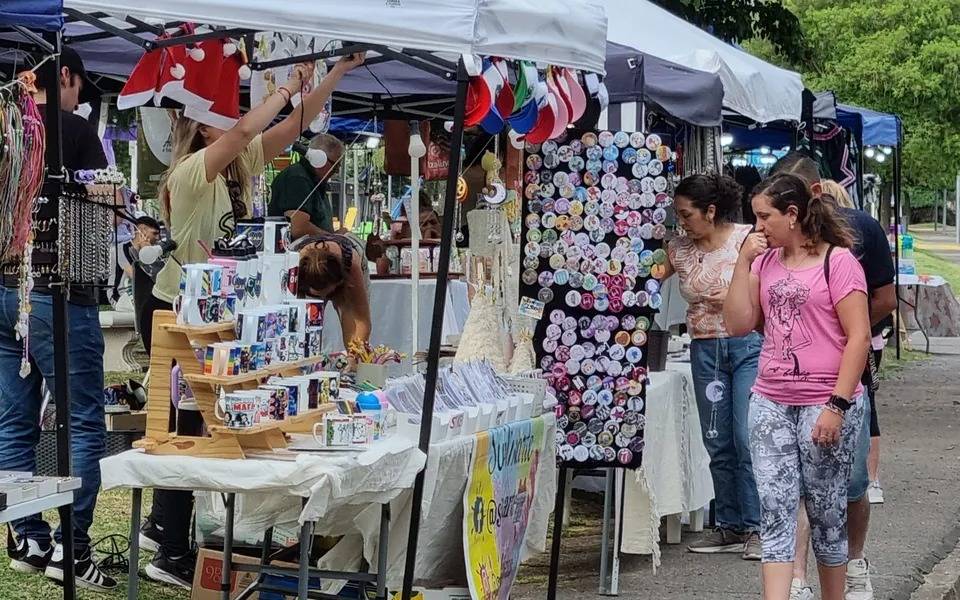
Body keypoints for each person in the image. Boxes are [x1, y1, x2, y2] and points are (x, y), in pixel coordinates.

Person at [137, 52, 366, 589]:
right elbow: (244, 131)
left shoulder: (236, 168)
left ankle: (160, 530)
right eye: (222, 116)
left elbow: (290, 129)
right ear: (202, 127)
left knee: (197, 421)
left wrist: (332, 77)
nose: (237, 125)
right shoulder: (193, 173)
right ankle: (169, 547)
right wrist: (283, 88)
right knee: (182, 427)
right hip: (176, 310)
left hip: (211, 312)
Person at [0, 46, 117, 591]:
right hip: (59, 294)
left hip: (5, 292)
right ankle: (72, 548)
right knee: (85, 420)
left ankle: (27, 535)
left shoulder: (9, 130)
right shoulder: (72, 129)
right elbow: (97, 221)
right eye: (77, 87)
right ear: (64, 76)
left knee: (14, 420)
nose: (77, 99)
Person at [724, 173, 871, 600]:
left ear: (793, 214)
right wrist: (741, 262)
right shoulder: (765, 263)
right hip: (771, 399)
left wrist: (837, 405)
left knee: (826, 513)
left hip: (825, 400)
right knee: (775, 510)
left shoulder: (838, 261)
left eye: (764, 216)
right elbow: (736, 324)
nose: (758, 226)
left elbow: (858, 336)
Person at [769, 154, 897, 600]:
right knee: (795, 487)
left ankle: (854, 561)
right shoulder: (771, 247)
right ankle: (798, 579)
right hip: (789, 385)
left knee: (850, 484)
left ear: (813, 193)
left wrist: (844, 334)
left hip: (847, 377)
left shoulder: (859, 234)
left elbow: (885, 298)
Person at [661, 174, 764, 561]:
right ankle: (729, 524)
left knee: (745, 434)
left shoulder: (747, 240)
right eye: (677, 215)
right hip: (704, 347)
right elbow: (646, 272)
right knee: (716, 437)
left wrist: (741, 292)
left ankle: (757, 526)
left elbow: (771, 284)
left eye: (687, 214)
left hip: (747, 345)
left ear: (711, 210)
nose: (681, 222)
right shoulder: (678, 250)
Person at [292, 230, 372, 347]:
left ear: (339, 282)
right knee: (301, 322)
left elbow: (361, 321)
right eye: (318, 294)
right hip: (302, 268)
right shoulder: (291, 265)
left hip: (348, 257)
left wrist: (353, 355)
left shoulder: (352, 263)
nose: (324, 297)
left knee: (348, 315)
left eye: (327, 292)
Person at [269, 133, 344, 237]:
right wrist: (333, 238)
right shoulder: (297, 178)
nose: (335, 171)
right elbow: (298, 228)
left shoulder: (314, 181)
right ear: (320, 159)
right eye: (335, 166)